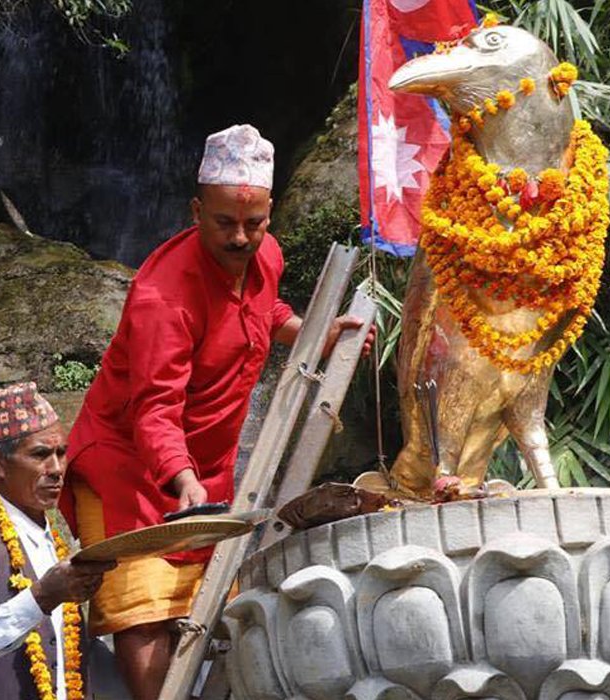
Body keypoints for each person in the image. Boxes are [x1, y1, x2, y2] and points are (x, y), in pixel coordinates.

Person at [59, 124, 374, 700]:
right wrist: (181, 478)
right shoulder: (165, 296)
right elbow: (153, 408)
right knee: (145, 608)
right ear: (196, 210)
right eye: (224, 222)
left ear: (269, 212)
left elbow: (267, 309)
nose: (239, 238)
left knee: (208, 605)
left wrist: (315, 335)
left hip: (204, 465)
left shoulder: (266, 254)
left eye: (253, 224)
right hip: (131, 464)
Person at [0, 382, 116, 700]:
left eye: (61, 453)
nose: (57, 469)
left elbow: (66, 656)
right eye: (40, 455)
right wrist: (40, 598)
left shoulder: (49, 543)